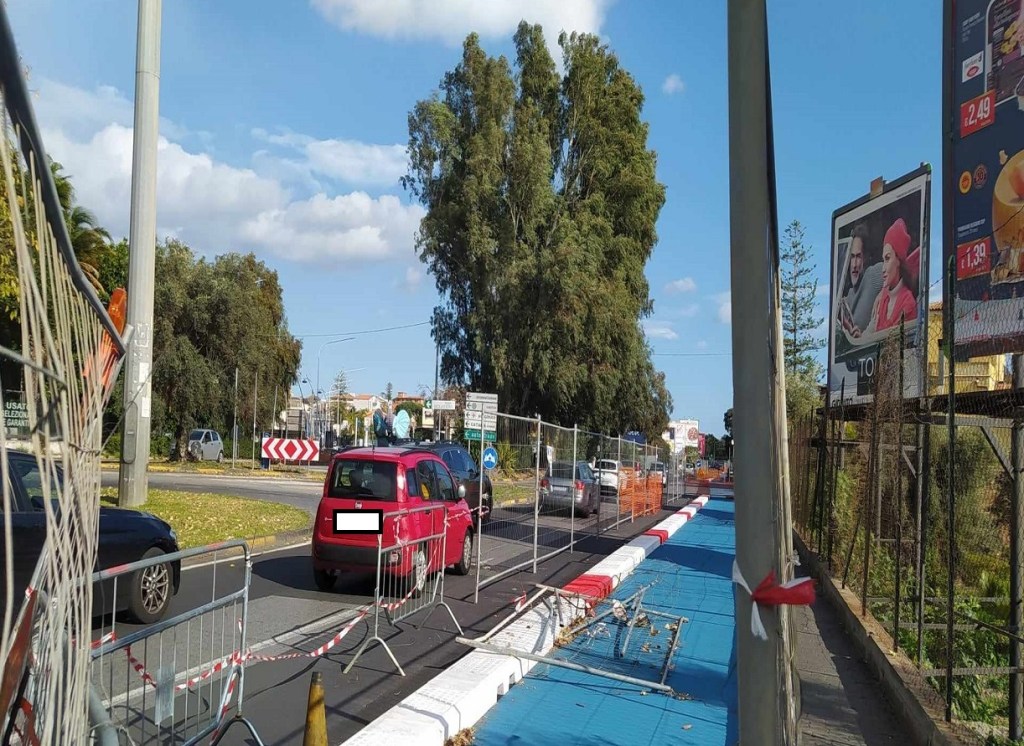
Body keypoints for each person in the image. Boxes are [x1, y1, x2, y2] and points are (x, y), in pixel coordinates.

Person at [865, 218, 919, 334]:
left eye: (887, 259)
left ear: (898, 260)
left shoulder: (907, 302)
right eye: (883, 260)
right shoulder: (883, 297)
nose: (883, 268)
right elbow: (870, 334)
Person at [841, 224, 883, 338]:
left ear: (866, 257)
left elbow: (898, 270)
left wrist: (885, 292)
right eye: (852, 257)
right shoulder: (847, 299)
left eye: (858, 256)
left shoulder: (873, 275)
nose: (854, 265)